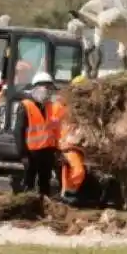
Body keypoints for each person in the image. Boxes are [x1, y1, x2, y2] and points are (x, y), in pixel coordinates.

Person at [14, 71, 59, 196]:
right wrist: (23, 154)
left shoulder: (49, 106)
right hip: (32, 153)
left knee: (45, 184)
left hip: (47, 152)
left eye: (51, 89)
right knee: (29, 184)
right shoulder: (26, 105)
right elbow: (18, 131)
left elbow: (54, 129)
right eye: (47, 88)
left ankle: (43, 207)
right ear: (37, 87)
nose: (49, 92)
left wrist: (55, 150)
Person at [55, 74, 87, 205]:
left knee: (76, 171)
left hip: (78, 145)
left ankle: (69, 193)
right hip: (67, 145)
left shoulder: (83, 107)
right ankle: (67, 193)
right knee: (77, 171)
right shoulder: (62, 105)